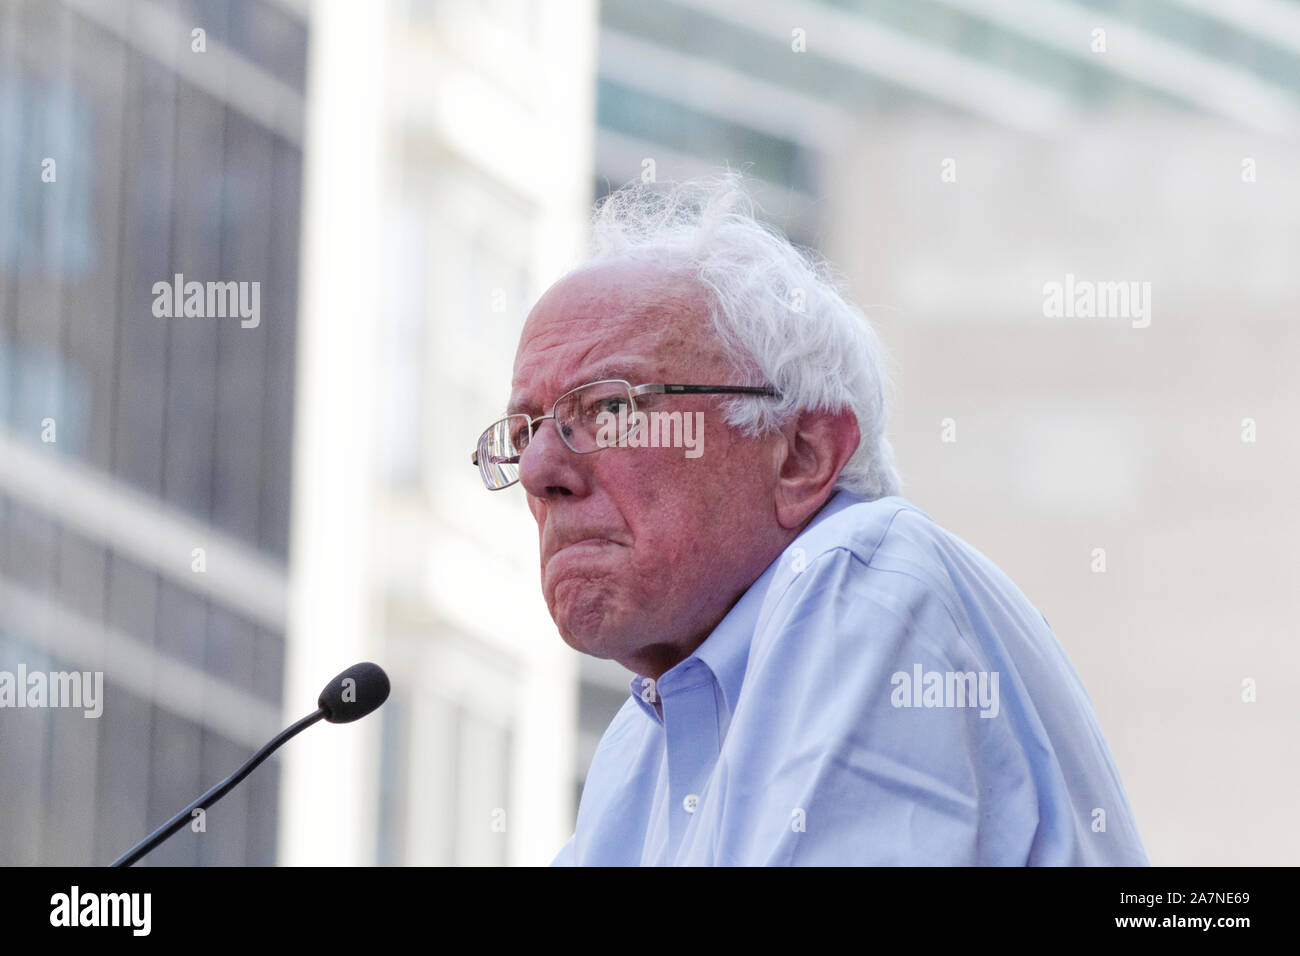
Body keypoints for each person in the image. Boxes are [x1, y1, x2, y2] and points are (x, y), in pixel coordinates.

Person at [471, 173, 1148, 866]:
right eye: (524, 431)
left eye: (610, 409)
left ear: (802, 454)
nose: (537, 471)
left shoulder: (863, 576)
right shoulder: (637, 744)